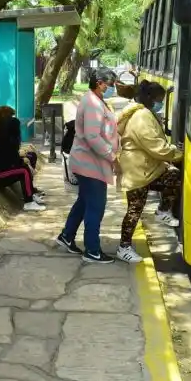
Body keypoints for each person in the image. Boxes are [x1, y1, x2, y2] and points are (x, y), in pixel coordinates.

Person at [56, 67, 119, 263]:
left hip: (90, 161)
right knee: (96, 206)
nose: (113, 88)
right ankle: (92, 250)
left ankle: (67, 236)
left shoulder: (95, 99)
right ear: (100, 83)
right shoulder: (92, 103)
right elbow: (92, 136)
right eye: (111, 85)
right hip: (90, 163)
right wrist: (111, 155)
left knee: (84, 201)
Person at [115, 81, 184, 263]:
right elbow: (155, 146)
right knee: (135, 209)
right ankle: (124, 247)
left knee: (172, 175)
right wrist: (177, 153)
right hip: (137, 170)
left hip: (145, 168)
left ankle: (163, 211)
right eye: (160, 100)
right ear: (151, 98)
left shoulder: (143, 113)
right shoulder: (141, 117)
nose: (161, 103)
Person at [0, 116, 46, 212]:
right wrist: (23, 161)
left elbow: (10, 160)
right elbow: (10, 161)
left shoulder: (4, 139)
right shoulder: (2, 142)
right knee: (24, 171)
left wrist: (23, 160)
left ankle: (31, 195)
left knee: (27, 162)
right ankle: (29, 202)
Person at [0, 105, 42, 194]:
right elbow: (0, 154)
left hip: (6, 159)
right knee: (24, 167)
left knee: (31, 155)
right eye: (11, 117)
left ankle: (30, 188)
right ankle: (29, 195)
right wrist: (20, 158)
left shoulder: (7, 130)